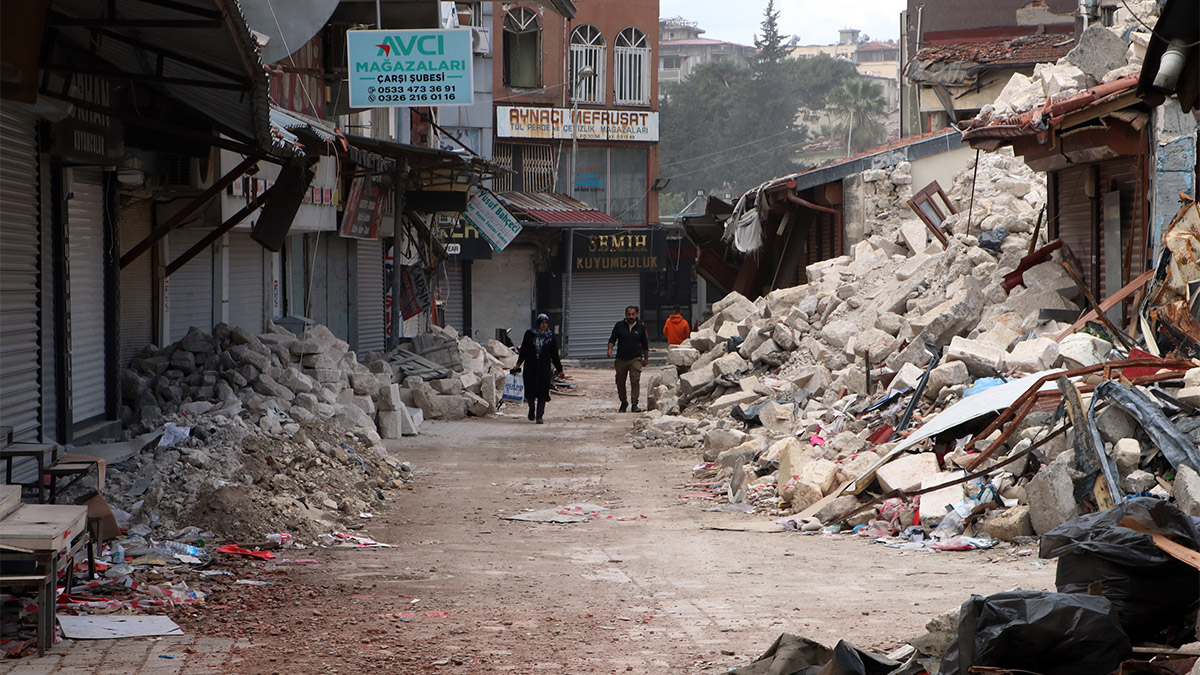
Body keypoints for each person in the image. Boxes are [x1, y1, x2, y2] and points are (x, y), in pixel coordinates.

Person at [512, 313, 563, 424]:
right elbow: (524, 350)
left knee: (543, 392)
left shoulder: (550, 337)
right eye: (542, 323)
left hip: (544, 369)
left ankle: (540, 415)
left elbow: (554, 354)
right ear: (538, 323)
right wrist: (518, 364)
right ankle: (531, 409)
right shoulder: (529, 334)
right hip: (530, 367)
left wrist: (560, 370)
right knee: (530, 390)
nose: (544, 325)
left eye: (546, 323)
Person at [607, 305, 649, 413]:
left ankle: (634, 404)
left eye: (633, 314)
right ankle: (623, 402)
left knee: (635, 380)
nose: (631, 316)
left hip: (635, 358)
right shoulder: (619, 326)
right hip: (621, 359)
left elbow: (645, 344)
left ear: (636, 314)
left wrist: (646, 358)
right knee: (620, 382)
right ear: (626, 315)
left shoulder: (641, 327)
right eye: (629, 314)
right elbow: (612, 339)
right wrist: (610, 349)